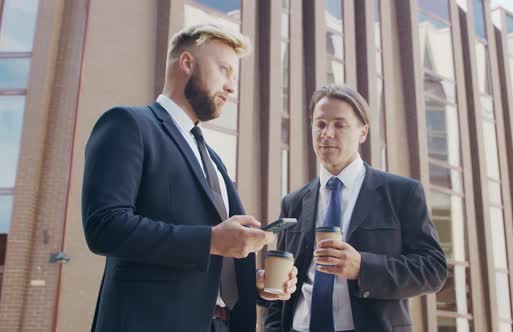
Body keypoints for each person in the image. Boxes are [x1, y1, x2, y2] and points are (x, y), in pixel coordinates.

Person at [82, 24, 296, 332]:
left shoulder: (213, 158)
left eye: (233, 76)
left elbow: (213, 263)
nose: (231, 87)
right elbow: (104, 226)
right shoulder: (128, 124)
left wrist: (255, 286)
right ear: (187, 63)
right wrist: (211, 239)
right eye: (224, 70)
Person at [263, 84, 447, 332]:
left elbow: (433, 269)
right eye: (319, 124)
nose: (326, 133)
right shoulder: (294, 202)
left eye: (340, 125)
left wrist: (363, 268)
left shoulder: (401, 193)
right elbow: (281, 284)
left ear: (363, 132)